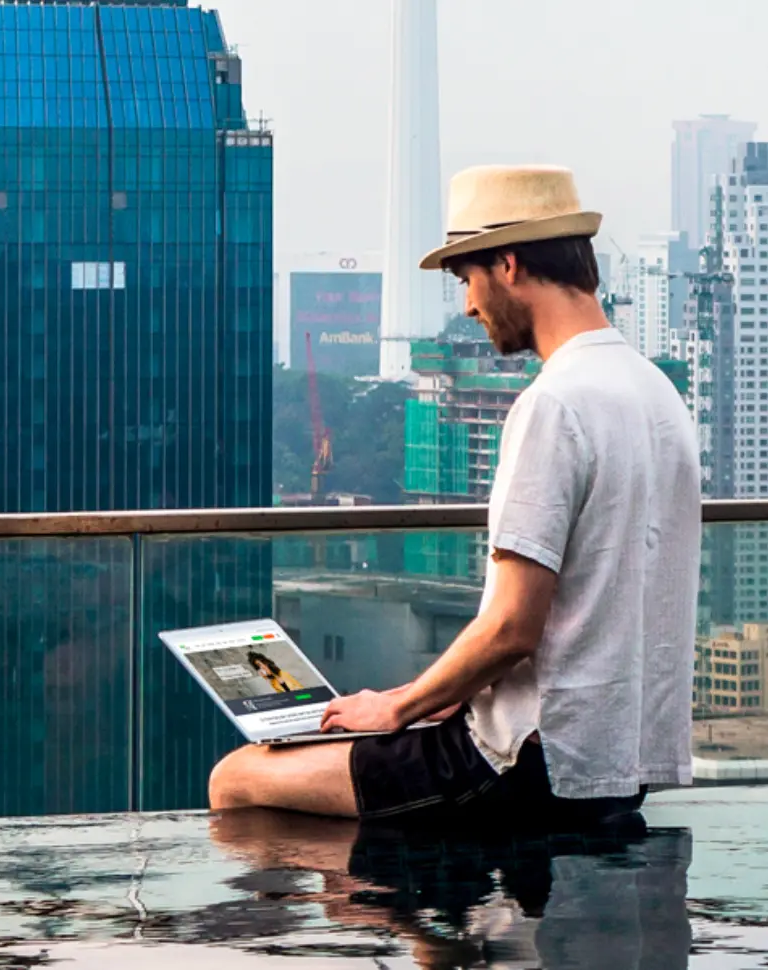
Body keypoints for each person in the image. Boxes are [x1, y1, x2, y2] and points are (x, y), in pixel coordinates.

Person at [208, 165, 702, 828]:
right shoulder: (655, 392)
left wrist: (402, 704)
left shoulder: (553, 405)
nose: (467, 305)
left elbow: (511, 628)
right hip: (619, 759)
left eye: (466, 279)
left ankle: (358, 916)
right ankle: (407, 919)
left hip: (519, 760)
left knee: (238, 778)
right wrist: (447, 694)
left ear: (506, 264)